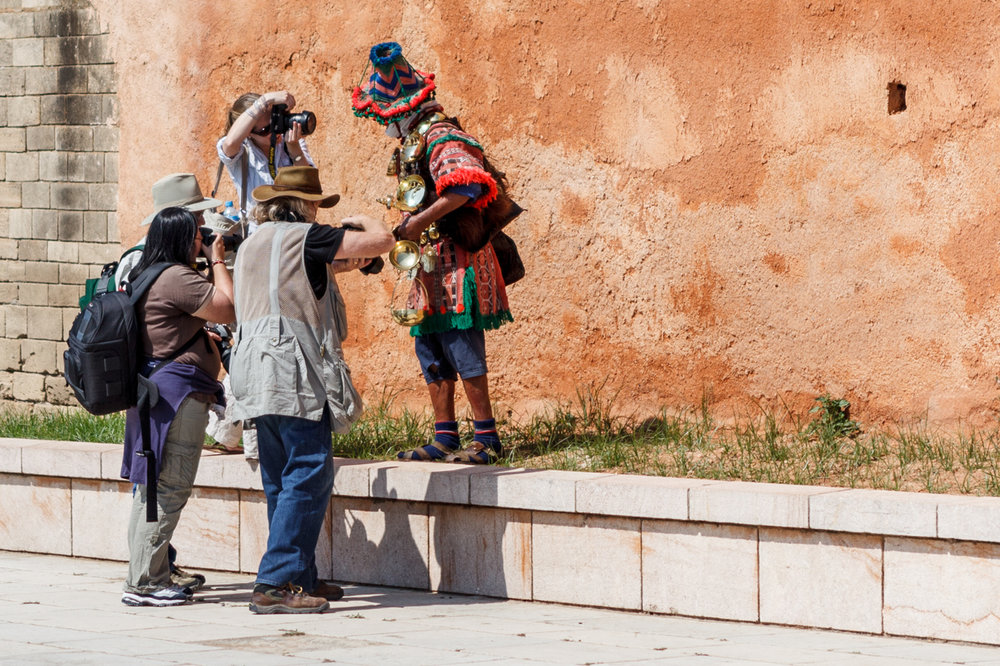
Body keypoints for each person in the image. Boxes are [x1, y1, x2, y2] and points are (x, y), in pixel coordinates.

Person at [228, 166, 393, 614]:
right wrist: (362, 222)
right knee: (309, 470)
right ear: (307, 205)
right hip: (292, 371)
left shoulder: (252, 244)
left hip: (253, 373)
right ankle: (276, 582)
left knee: (280, 477)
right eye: (317, 203)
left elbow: (302, 277)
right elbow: (382, 242)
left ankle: (298, 577)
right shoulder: (307, 236)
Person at [352, 42, 513, 464]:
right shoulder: (415, 142)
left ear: (400, 110)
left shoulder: (441, 135)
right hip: (428, 263)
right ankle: (445, 436)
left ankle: (487, 437)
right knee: (429, 346)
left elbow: (468, 186)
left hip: (456, 260)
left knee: (461, 343)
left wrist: (418, 222)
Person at [120, 203, 236, 607]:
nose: (200, 240)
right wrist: (217, 258)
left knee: (151, 487)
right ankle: (145, 584)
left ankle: (145, 575)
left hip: (156, 392)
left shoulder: (148, 273)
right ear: (182, 239)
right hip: (176, 395)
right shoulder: (175, 278)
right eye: (197, 234)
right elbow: (228, 307)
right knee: (168, 487)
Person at [216, 90, 315, 230]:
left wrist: (295, 150)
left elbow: (311, 187)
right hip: (259, 235)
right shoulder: (242, 151)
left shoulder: (290, 142)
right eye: (265, 130)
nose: (274, 132)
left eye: (275, 123)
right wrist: (265, 100)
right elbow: (230, 143)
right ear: (248, 133)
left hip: (295, 231)